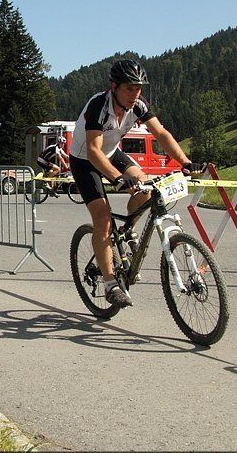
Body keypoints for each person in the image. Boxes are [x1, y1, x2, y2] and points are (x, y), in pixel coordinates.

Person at [69, 59, 202, 308]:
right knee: (103, 218)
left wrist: (185, 162)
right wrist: (118, 179)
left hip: (112, 154)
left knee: (147, 188)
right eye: (129, 88)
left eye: (138, 88)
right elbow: (94, 151)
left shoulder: (138, 105)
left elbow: (161, 134)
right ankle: (110, 284)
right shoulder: (99, 105)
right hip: (85, 160)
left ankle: (128, 226)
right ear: (114, 87)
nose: (135, 94)